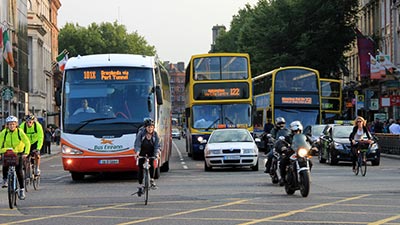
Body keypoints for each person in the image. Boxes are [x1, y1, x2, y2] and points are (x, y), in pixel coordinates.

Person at [0, 116, 31, 200]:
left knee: (19, 171)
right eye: (10, 124)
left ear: (16, 124)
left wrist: (26, 153)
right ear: (7, 125)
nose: (11, 126)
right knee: (5, 165)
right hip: (7, 152)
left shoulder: (19, 132)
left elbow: (27, 142)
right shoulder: (4, 132)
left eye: (13, 124)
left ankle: (21, 189)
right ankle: (5, 179)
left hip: (18, 153)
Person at [279, 120, 313, 186]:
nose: (297, 132)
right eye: (295, 131)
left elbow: (311, 143)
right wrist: (283, 147)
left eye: (298, 131)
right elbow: (281, 142)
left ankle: (306, 177)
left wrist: (315, 146)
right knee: (283, 162)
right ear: (292, 131)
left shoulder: (305, 137)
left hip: (301, 153)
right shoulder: (288, 137)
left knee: (310, 162)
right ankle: (283, 178)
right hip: (291, 152)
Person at [134, 118, 161, 196]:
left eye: (152, 127)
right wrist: (137, 153)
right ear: (145, 127)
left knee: (152, 164)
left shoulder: (155, 134)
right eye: (149, 127)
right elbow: (137, 144)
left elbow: (157, 146)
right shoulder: (141, 133)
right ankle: (140, 184)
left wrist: (156, 154)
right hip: (142, 150)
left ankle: (152, 180)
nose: (150, 129)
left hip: (151, 150)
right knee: (140, 166)